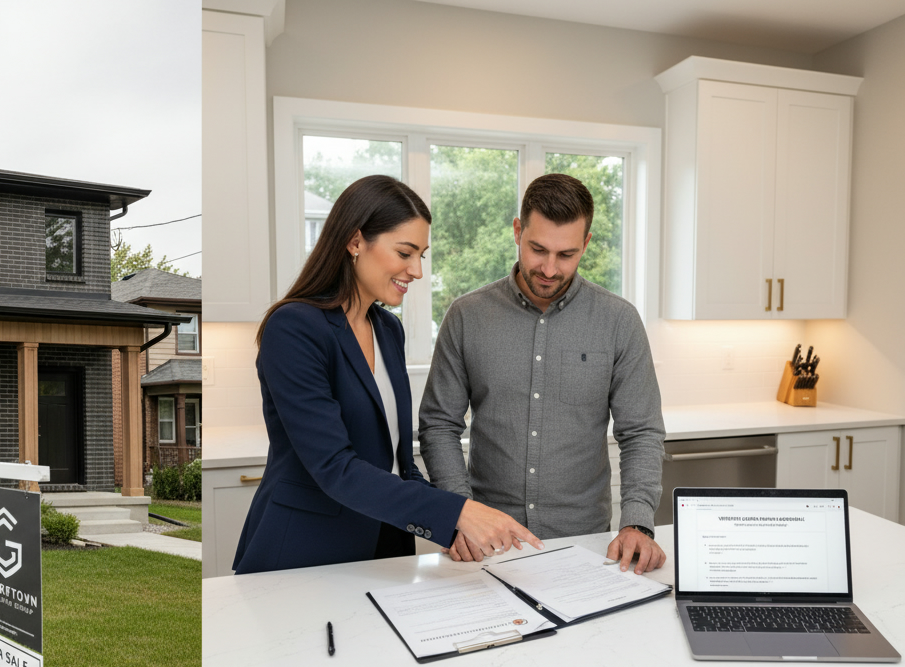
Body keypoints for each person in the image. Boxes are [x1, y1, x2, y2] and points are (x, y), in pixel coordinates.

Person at [233, 175, 542, 575]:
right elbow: (334, 466)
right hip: (302, 554)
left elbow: (398, 464)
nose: (416, 270)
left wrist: (451, 528)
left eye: (421, 255)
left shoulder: (387, 329)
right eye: (404, 252)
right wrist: (458, 511)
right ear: (356, 241)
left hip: (385, 553)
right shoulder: (294, 329)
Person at [419, 173, 667, 574]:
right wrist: (458, 513)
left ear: (585, 244)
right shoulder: (467, 316)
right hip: (487, 543)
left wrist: (637, 522)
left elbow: (641, 431)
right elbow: (438, 425)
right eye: (537, 249)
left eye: (566, 254)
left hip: (584, 543)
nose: (549, 268)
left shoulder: (618, 321)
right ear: (518, 231)